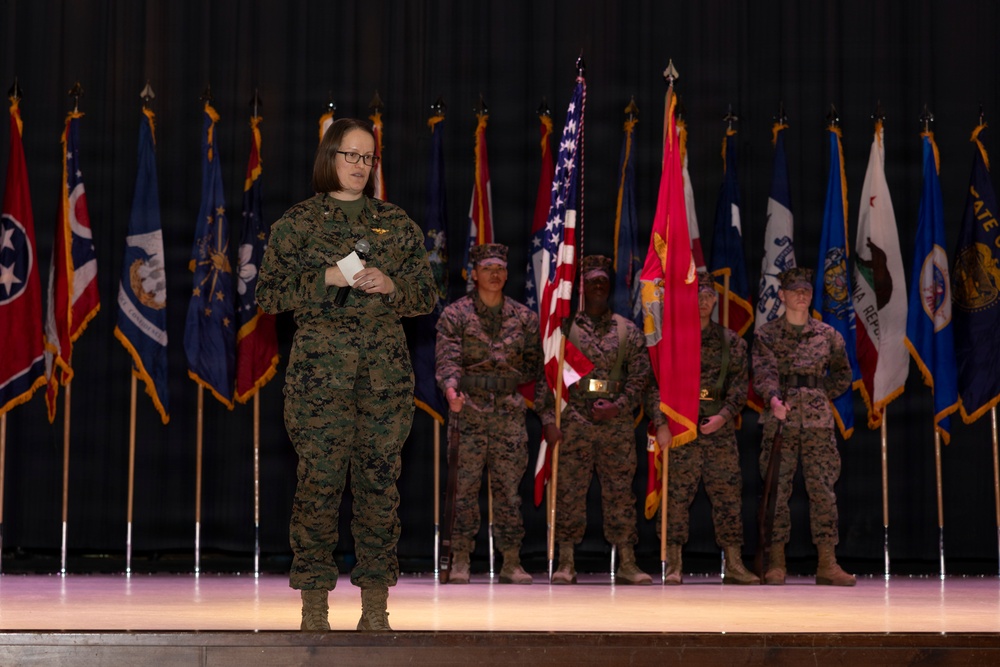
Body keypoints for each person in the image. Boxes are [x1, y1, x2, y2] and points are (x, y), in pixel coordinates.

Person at [256, 117, 436, 632]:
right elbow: (268, 295)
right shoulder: (298, 223)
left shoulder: (396, 224)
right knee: (319, 487)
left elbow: (426, 296)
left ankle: (375, 609)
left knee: (380, 488)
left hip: (385, 383)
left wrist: (394, 285)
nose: (360, 166)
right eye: (351, 156)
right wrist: (325, 278)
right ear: (329, 158)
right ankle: (314, 608)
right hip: (319, 384)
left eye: (368, 158)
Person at [537, 255, 652, 585]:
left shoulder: (627, 330)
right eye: (592, 282)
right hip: (574, 421)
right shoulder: (564, 328)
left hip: (615, 424)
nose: (598, 287)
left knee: (620, 494)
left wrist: (619, 406)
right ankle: (566, 560)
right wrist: (549, 420)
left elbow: (641, 377)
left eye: (603, 281)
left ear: (610, 286)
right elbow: (547, 379)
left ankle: (628, 561)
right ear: (581, 288)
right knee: (570, 492)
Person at [435, 243, 542, 584]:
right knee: (464, 489)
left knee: (509, 490)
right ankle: (462, 558)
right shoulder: (456, 314)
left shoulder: (524, 318)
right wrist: (451, 390)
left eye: (500, 269)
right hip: (468, 409)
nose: (495, 274)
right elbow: (447, 359)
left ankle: (511, 560)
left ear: (507, 274)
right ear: (474, 274)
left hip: (508, 413)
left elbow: (533, 367)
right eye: (488, 268)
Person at [643, 271, 758, 585]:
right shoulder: (671, 341)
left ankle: (734, 563)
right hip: (681, 429)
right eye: (698, 296)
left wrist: (723, 416)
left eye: (709, 297)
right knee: (676, 498)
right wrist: (662, 423)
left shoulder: (731, 341)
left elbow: (739, 387)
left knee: (728, 496)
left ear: (716, 301)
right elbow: (655, 386)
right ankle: (674, 563)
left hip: (717, 429)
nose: (703, 302)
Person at [752, 267, 856, 586]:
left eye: (807, 291)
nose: (802, 295)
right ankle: (776, 563)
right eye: (795, 290)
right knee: (777, 490)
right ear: (781, 295)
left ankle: (827, 562)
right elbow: (763, 373)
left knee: (823, 490)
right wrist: (773, 399)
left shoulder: (828, 335)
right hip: (779, 419)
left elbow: (842, 374)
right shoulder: (766, 334)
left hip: (817, 424)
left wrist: (818, 395)